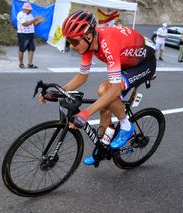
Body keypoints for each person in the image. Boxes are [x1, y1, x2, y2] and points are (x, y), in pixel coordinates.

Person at [39, 11, 157, 165]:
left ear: (88, 36)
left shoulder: (108, 44)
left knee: (105, 91)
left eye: (73, 42)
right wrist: (59, 92)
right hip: (127, 62)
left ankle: (127, 126)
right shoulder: (88, 45)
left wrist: (85, 114)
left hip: (144, 64)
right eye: (68, 41)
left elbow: (113, 90)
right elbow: (82, 76)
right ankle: (103, 147)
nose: (71, 46)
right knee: (104, 104)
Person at [17, 2, 45, 69]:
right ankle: (21, 64)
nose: (30, 11)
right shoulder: (20, 14)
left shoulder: (30, 15)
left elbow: (33, 25)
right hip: (23, 34)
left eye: (30, 9)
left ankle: (30, 64)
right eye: (28, 9)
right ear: (24, 9)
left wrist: (39, 21)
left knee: (32, 49)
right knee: (22, 49)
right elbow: (25, 24)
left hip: (31, 34)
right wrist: (34, 19)